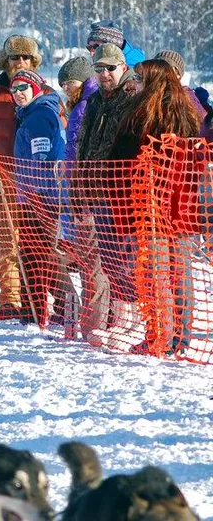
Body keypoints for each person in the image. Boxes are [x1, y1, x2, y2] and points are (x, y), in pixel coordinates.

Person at [0, 34, 65, 320]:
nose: (19, 62)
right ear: (5, 61)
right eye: (14, 58)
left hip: (38, 184)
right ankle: (11, 302)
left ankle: (57, 302)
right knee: (7, 244)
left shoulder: (44, 95)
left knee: (42, 246)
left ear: (33, 61)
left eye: (25, 57)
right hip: (1, 180)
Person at [112, 59, 200, 356]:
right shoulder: (186, 114)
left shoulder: (142, 116)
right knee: (180, 271)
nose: (133, 82)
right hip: (184, 205)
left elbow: (122, 161)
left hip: (150, 206)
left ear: (151, 81)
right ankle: (181, 338)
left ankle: (159, 336)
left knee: (155, 271)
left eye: (138, 77)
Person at [72, 43, 137, 346]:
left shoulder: (133, 98)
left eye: (111, 68)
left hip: (122, 192)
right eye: (99, 68)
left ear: (123, 67)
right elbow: (83, 144)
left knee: (126, 259)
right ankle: (121, 320)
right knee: (109, 260)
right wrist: (77, 186)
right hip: (94, 188)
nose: (105, 74)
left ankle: (133, 320)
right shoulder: (95, 100)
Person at [9, 69, 77, 328]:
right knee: (36, 254)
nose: (18, 94)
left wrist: (35, 192)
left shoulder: (38, 115)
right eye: (14, 90)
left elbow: (42, 157)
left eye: (23, 88)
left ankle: (45, 309)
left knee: (38, 255)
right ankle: (39, 309)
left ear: (36, 89)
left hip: (40, 197)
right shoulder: (31, 114)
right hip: (33, 195)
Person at [58, 57, 97, 161]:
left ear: (83, 82)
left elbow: (75, 147)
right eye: (63, 84)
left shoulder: (82, 108)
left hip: (82, 171)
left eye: (71, 82)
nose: (65, 88)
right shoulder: (94, 99)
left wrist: (70, 173)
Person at [153, 50, 207, 125]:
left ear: (177, 74)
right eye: (156, 67)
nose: (158, 71)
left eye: (165, 68)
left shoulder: (186, 99)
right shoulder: (147, 93)